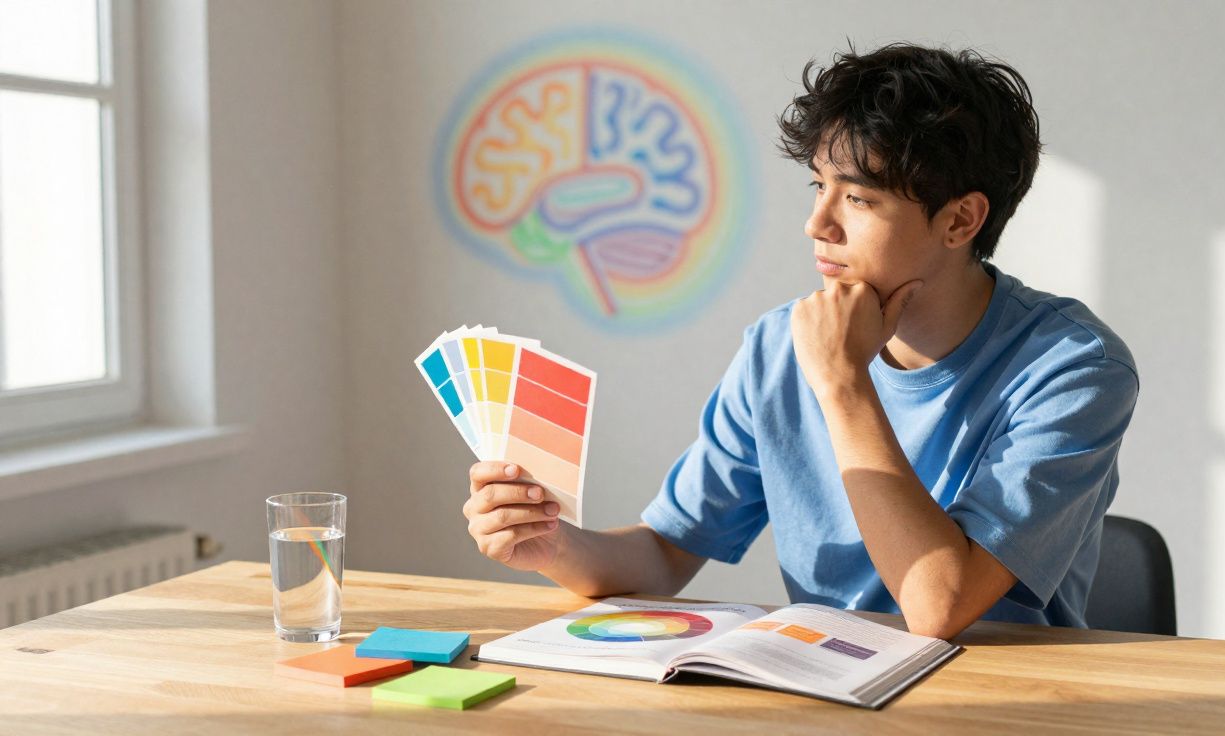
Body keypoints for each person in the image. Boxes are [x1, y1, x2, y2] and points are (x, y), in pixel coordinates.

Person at [462, 41, 1138, 639]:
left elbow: (938, 607)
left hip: (1003, 706)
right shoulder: (777, 347)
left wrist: (842, 383)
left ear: (961, 219)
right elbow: (664, 556)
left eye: (859, 198)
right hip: (830, 691)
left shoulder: (1075, 368)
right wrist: (549, 543)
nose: (817, 224)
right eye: (819, 186)